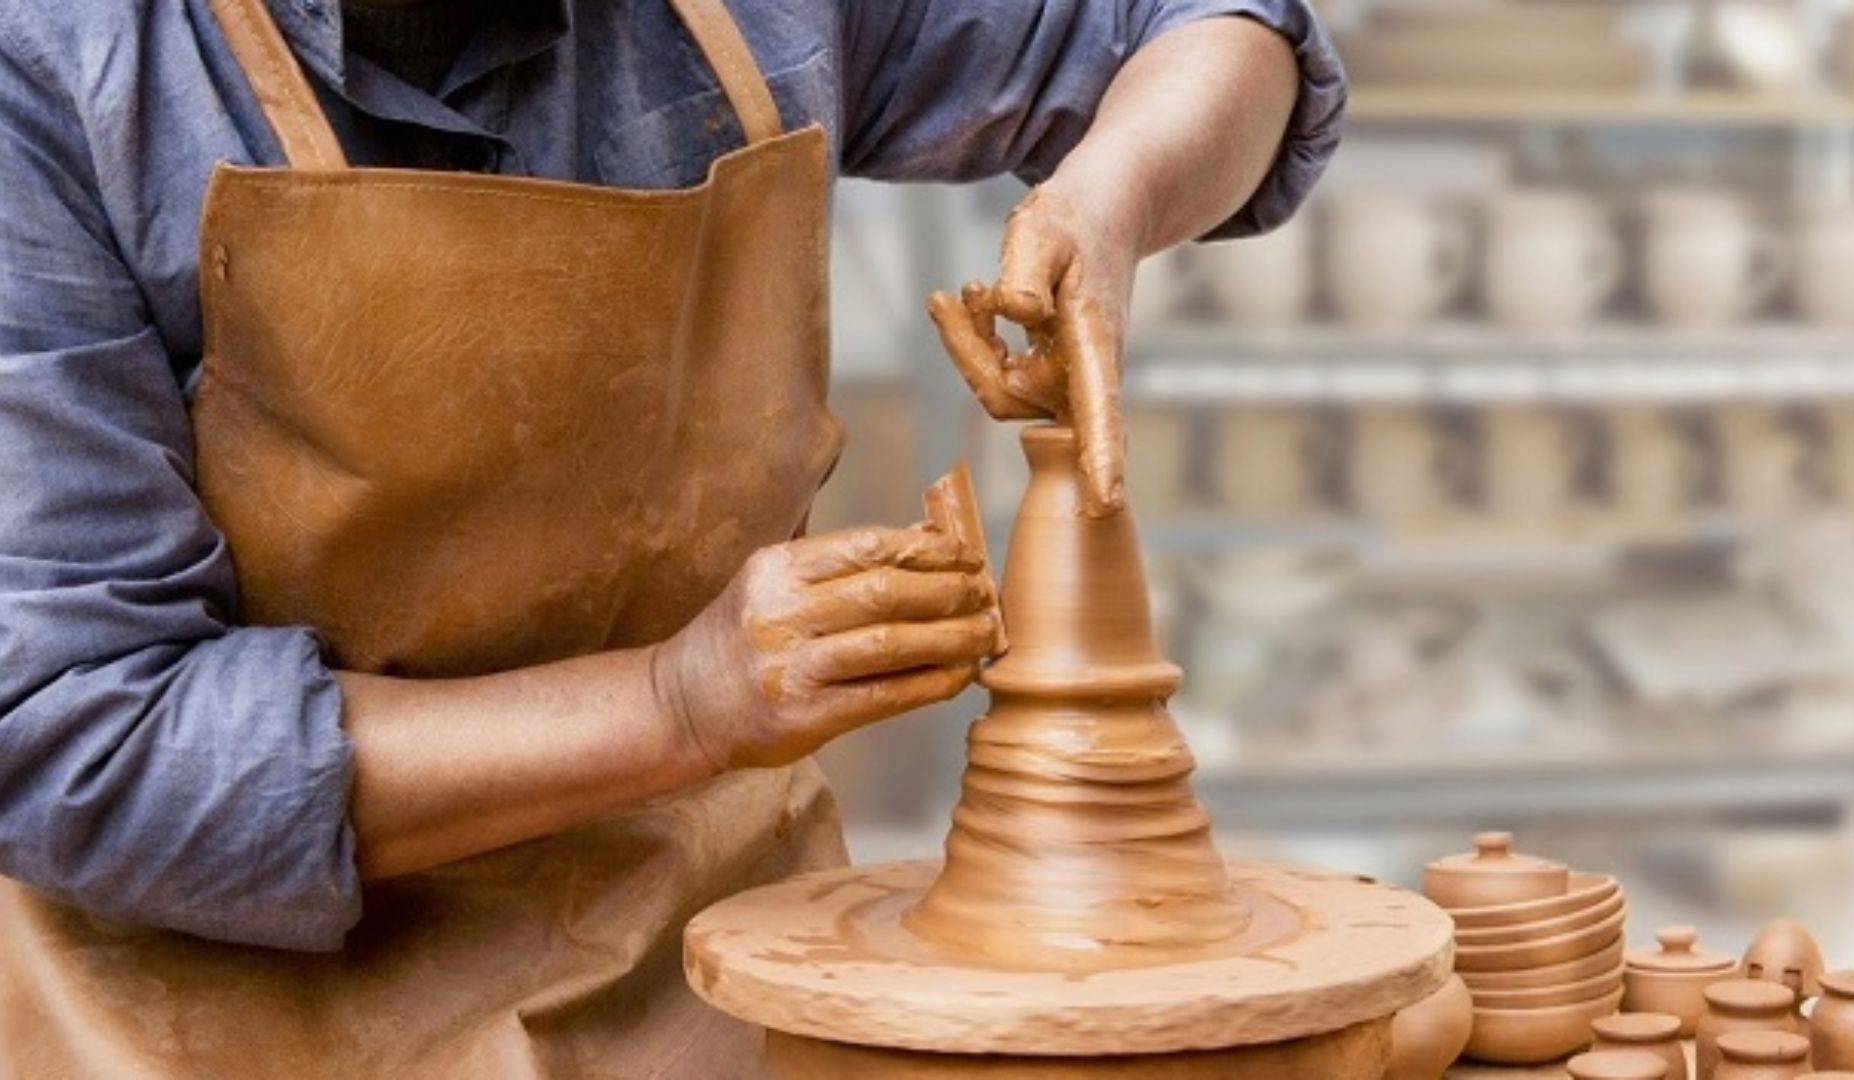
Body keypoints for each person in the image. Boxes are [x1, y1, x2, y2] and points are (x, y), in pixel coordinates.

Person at [0, 0, 1344, 1072]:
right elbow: (78, 736)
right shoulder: (55, 67)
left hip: (696, 980)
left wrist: (1107, 200)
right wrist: (678, 702)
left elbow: (1224, 33)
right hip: (209, 1019)